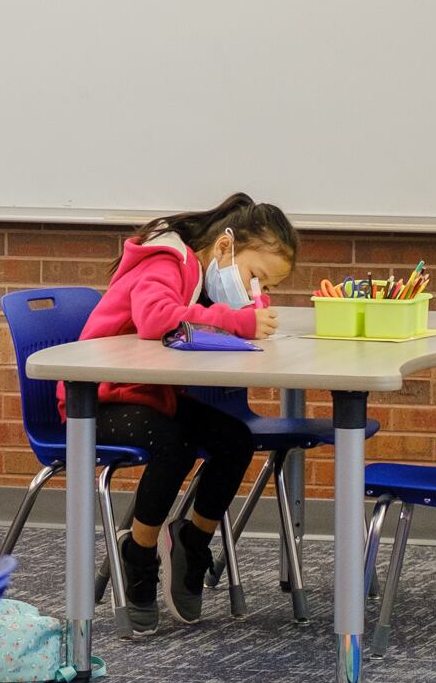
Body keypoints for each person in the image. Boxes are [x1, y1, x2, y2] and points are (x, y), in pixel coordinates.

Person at [72, 193, 298, 631]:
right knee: (172, 445)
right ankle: (138, 554)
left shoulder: (198, 279)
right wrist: (235, 322)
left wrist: (238, 315)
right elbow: (156, 318)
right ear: (225, 248)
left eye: (266, 288)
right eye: (256, 278)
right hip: (99, 398)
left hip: (151, 393)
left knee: (235, 441)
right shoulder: (167, 260)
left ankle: (192, 541)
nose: (257, 291)